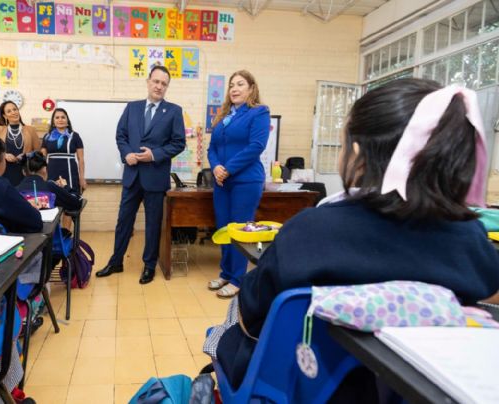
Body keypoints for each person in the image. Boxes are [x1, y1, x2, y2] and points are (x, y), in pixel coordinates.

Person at [213, 79, 499, 399]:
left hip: (300, 387)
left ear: (357, 157)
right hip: (415, 392)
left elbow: (251, 317)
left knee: (227, 324)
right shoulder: (471, 240)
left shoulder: (310, 232)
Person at [96, 65, 186, 284]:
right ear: (148, 82)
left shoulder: (174, 111)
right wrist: (126, 154)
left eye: (164, 84)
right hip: (132, 176)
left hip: (155, 178)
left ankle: (149, 266)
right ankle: (116, 261)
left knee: (153, 224)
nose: (159, 86)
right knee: (123, 221)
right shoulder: (132, 108)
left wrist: (154, 155)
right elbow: (121, 136)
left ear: (167, 87)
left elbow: (178, 143)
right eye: (156, 81)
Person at [207, 70, 270, 298]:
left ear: (251, 88)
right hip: (222, 182)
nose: (234, 88)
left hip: (246, 180)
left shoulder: (259, 113)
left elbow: (256, 146)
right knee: (224, 229)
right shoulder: (223, 117)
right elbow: (212, 148)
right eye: (231, 85)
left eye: (240, 84)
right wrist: (215, 167)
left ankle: (238, 279)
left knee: (239, 231)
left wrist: (228, 168)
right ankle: (225, 273)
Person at [17, 151, 83, 211]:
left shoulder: (15, 190)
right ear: (44, 169)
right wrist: (65, 187)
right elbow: (77, 203)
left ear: (23, 172)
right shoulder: (51, 187)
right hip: (47, 224)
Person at [0, 101, 41, 186]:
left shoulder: (31, 129)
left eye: (15, 109)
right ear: (4, 116)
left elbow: (38, 152)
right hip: (5, 171)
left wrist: (26, 155)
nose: (13, 112)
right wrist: (4, 155)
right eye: (9, 111)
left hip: (25, 171)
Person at [41, 108, 86, 194]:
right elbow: (42, 159)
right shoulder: (47, 136)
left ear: (67, 120)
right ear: (53, 121)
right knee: (52, 199)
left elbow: (81, 159)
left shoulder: (75, 136)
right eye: (57, 117)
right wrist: (42, 177)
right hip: (51, 173)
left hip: (70, 173)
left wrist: (82, 178)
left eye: (63, 117)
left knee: (71, 199)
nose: (60, 120)